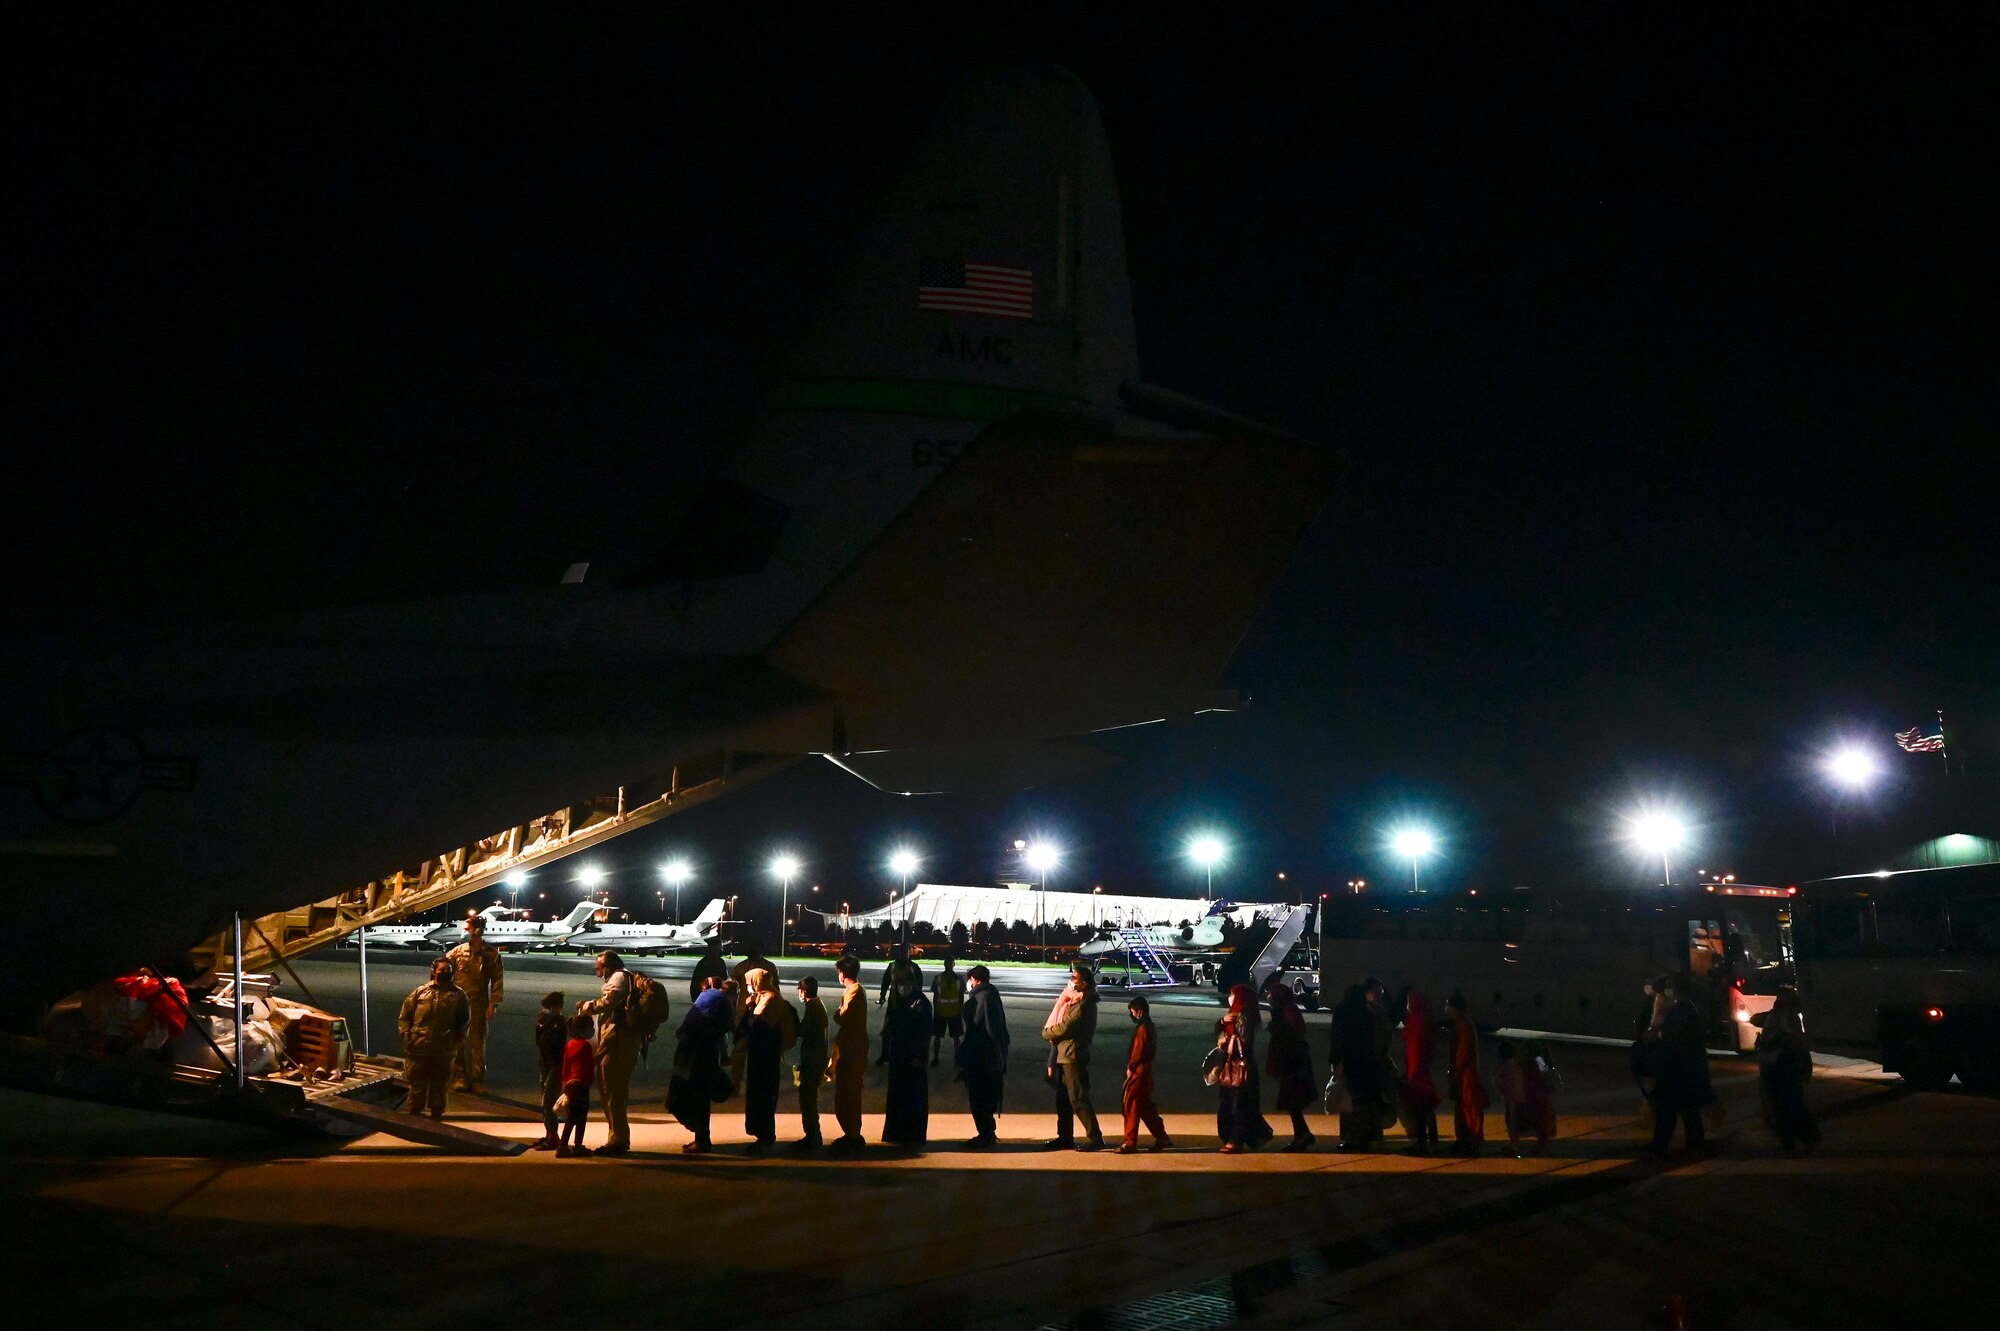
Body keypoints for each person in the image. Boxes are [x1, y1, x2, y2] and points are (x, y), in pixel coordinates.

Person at [576, 951, 637, 1155]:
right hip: (617, 1042)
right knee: (610, 1091)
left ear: (608, 966)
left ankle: (618, 1141)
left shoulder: (619, 977)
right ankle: (617, 1137)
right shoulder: (624, 976)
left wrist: (587, 1006)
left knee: (613, 1093)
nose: (597, 972)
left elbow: (608, 1002)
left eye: (599, 968)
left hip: (618, 1043)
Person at [1042, 964, 1104, 1151]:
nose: (1071, 981)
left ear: (1084, 984)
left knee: (1077, 1098)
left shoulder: (1084, 1003)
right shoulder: (1076, 1000)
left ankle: (1095, 1138)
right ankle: (1065, 1137)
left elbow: (1066, 1026)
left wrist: (1047, 1032)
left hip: (1073, 1055)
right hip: (1065, 1054)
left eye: (1075, 978)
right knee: (1063, 1098)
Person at [398, 956, 468, 1119]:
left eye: (448, 970)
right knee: (417, 1084)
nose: (445, 973)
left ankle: (437, 1113)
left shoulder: (458, 995)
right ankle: (414, 1112)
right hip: (419, 1047)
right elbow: (405, 1016)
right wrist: (406, 1035)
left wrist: (456, 1042)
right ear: (433, 971)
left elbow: (464, 1022)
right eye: (442, 970)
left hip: (444, 1049)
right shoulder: (420, 992)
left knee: (440, 1084)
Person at [1650, 975, 1714, 1155]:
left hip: (1676, 1069)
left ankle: (1661, 1144)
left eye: (1670, 986)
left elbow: (1675, 1040)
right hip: (1686, 1068)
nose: (1668, 989)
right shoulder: (1688, 1008)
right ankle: (1694, 1142)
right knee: (1688, 1109)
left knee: (1668, 1109)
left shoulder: (1680, 1011)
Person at [446, 913, 505, 1094]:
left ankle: (477, 1079)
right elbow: (442, 971)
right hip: (458, 1003)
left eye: (468, 928)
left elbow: (497, 980)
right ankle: (460, 1077)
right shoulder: (457, 952)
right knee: (458, 1043)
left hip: (479, 1004)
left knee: (477, 1044)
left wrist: (493, 1004)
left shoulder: (491, 954)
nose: (466, 931)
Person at [668, 981, 729, 1153]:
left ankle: (701, 1139)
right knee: (700, 1101)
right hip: (705, 1059)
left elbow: (686, 1027)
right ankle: (701, 1137)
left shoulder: (707, 1001)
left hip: (695, 1060)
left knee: (689, 1099)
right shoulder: (719, 1009)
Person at [739, 967, 795, 1152]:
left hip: (766, 1056)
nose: (748, 986)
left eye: (749, 982)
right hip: (759, 1054)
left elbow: (757, 1025)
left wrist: (749, 1006)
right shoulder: (762, 996)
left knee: (764, 1095)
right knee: (757, 1094)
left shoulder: (770, 998)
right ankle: (760, 1135)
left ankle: (765, 1137)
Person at [1756, 985, 1818, 1152]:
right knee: (1791, 1106)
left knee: (1782, 1108)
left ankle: (1794, 1142)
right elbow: (1799, 1045)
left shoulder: (1777, 1018)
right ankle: (1803, 1139)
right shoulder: (1785, 1018)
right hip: (1784, 1068)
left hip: (1778, 1068)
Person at [1214, 982, 1274, 1153]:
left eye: (1233, 994)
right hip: (1233, 1065)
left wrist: (1226, 1039)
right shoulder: (1234, 1015)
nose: (1230, 997)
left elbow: (1243, 1041)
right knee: (1233, 1104)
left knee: (1238, 1105)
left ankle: (1236, 1140)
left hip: (1239, 1067)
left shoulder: (1244, 1015)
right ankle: (1237, 1138)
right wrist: (1222, 1022)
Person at [958, 963, 1010, 1146]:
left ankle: (986, 1134)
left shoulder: (984, 997)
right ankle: (986, 1133)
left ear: (975, 980)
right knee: (983, 1097)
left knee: (980, 1097)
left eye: (970, 979)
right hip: (985, 1057)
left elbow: (985, 1029)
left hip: (983, 1059)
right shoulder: (989, 994)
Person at [881, 962, 932, 1146]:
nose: (898, 987)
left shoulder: (920, 1002)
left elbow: (925, 1032)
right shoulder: (900, 1001)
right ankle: (897, 1133)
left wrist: (919, 1055)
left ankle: (913, 1134)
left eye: (900, 983)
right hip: (899, 1056)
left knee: (913, 1096)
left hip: (912, 1058)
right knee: (897, 1095)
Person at [1328, 984, 1384, 1150]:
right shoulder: (1366, 1012)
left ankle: (1350, 1138)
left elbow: (1337, 1037)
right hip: (1366, 1061)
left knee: (1348, 1100)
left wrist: (1335, 1059)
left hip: (1349, 1061)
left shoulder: (1342, 1012)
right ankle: (1366, 1137)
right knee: (1364, 1100)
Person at [1263, 980, 1317, 1150]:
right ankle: (1302, 1134)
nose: (1268, 996)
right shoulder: (1283, 1010)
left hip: (1293, 1063)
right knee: (1292, 1102)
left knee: (1292, 1101)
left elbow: (1293, 1034)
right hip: (1290, 1062)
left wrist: (1276, 1028)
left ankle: (1302, 1136)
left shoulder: (1288, 1011)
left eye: (1271, 994)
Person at [827, 955, 870, 1153]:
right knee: (845, 1093)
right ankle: (850, 1133)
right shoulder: (852, 991)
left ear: (843, 973)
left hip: (852, 1050)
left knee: (849, 1093)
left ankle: (853, 1134)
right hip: (849, 1048)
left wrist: (838, 1013)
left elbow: (842, 1017)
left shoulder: (854, 992)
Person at [1119, 995, 1171, 1154]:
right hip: (1146, 1071)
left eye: (1132, 1012)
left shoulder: (1143, 1029)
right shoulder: (1150, 1026)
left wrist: (1131, 1066)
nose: (1132, 1015)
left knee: (1131, 1104)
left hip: (1139, 1071)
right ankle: (1162, 1137)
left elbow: (1138, 1051)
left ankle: (1130, 1142)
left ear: (1139, 1012)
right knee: (1145, 1106)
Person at [1395, 986, 1441, 1154]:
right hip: (1423, 1071)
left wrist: (1411, 1075)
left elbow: (1415, 1051)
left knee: (1420, 1109)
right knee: (1427, 1109)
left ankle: (1421, 1143)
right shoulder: (1426, 1020)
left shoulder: (1416, 1023)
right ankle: (1432, 1142)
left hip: (1417, 1074)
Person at [1500, 1038, 1560, 1157]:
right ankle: (1540, 1147)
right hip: (1534, 1098)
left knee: (1520, 1122)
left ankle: (1516, 1146)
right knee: (1538, 1124)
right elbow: (1546, 1074)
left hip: (1529, 1098)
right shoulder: (1536, 1061)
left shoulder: (1524, 1062)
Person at [1445, 990, 1486, 1155]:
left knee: (1469, 1109)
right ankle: (1464, 1140)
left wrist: (1455, 1073)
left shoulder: (1464, 1026)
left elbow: (1462, 1053)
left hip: (1466, 1076)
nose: (1447, 1010)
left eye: (1449, 1006)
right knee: (1463, 1109)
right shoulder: (1463, 1024)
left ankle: (1471, 1141)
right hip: (1464, 1074)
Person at [793, 975, 829, 1149]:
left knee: (808, 1098)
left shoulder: (813, 1007)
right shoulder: (816, 1004)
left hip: (813, 1059)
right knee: (809, 1096)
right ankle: (813, 1135)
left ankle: (812, 1136)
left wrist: (791, 1021)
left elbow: (803, 1030)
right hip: (815, 1057)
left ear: (804, 991)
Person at [557, 1013, 596, 1157]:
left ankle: (563, 1145)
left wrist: (565, 1084)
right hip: (582, 1085)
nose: (593, 1030)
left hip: (570, 1084)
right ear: (582, 1030)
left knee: (571, 1116)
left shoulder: (569, 1044)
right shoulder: (586, 1045)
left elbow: (565, 1066)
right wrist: (590, 1081)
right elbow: (588, 1066)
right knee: (581, 1117)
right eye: (591, 1027)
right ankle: (577, 1145)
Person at [532, 990, 567, 1150]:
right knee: (544, 1101)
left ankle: (554, 1136)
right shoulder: (544, 1022)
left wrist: (546, 1025)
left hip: (555, 1065)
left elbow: (553, 1043)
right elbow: (539, 1043)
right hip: (545, 1063)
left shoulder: (559, 1023)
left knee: (549, 1102)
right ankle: (548, 1134)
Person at [931, 954, 965, 1067]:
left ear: (953, 965)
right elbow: (936, 996)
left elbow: (961, 996)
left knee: (952, 1037)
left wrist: (960, 1009)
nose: (949, 965)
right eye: (948, 963)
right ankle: (937, 1057)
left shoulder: (958, 979)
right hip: (943, 1011)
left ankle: (956, 1058)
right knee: (941, 1036)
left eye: (950, 963)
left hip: (952, 1011)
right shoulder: (942, 978)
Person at [689, 937, 727, 1003]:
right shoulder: (719, 962)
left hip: (702, 996)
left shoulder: (703, 962)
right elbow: (724, 977)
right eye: (721, 946)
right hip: (712, 996)